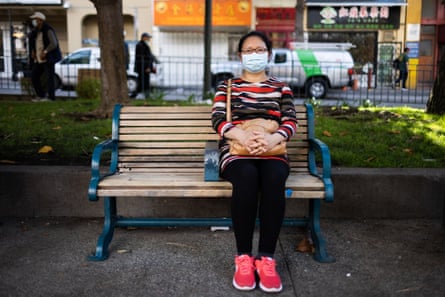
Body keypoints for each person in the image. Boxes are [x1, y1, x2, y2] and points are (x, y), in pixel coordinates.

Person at [211, 31, 298, 293]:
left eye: (259, 50)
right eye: (248, 50)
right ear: (240, 55)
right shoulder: (227, 87)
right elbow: (218, 120)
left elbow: (291, 121)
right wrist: (243, 137)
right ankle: (244, 259)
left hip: (272, 149)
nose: (254, 55)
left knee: (273, 177)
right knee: (247, 177)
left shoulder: (281, 87)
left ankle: (267, 259)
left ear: (268, 54)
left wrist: (273, 140)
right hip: (237, 149)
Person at [29, 12, 62, 102]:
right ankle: (41, 95)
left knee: (49, 78)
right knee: (34, 76)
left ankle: (51, 98)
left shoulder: (48, 29)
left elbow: (54, 43)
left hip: (48, 58)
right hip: (38, 59)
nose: (34, 21)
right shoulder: (35, 32)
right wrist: (33, 51)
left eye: (35, 19)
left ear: (40, 20)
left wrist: (45, 52)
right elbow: (34, 43)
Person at [134, 32, 159, 99]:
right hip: (143, 67)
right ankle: (141, 94)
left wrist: (155, 60)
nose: (149, 39)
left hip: (145, 67)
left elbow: (150, 55)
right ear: (144, 37)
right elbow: (143, 57)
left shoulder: (144, 45)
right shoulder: (140, 45)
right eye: (148, 37)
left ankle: (143, 94)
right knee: (142, 81)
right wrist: (147, 67)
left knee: (144, 81)